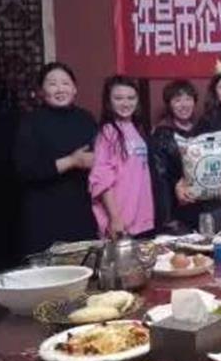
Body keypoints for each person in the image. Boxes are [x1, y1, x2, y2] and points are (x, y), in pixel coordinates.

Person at [14, 62, 97, 254]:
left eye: (65, 83)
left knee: (84, 264)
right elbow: (25, 169)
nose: (60, 89)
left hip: (81, 208)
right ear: (41, 91)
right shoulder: (31, 122)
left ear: (74, 89)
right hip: (44, 211)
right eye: (52, 84)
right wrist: (72, 161)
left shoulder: (86, 118)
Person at [175, 54, 221, 231]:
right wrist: (181, 184)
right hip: (212, 200)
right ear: (214, 91)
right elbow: (190, 158)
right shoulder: (205, 121)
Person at [89, 76, 154, 238]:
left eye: (131, 98)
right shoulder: (108, 132)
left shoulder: (136, 129)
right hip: (119, 220)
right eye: (118, 98)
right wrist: (114, 218)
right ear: (109, 101)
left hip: (140, 218)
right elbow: (101, 179)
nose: (125, 103)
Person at [150, 80, 198, 233]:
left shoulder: (202, 129)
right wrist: (176, 184)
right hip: (176, 205)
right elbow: (160, 175)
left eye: (188, 99)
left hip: (201, 204)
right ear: (169, 104)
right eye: (177, 100)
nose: (184, 105)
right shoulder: (162, 133)